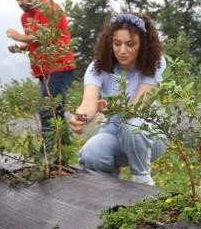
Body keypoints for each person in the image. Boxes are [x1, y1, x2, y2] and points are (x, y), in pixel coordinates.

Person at [69, 12, 167, 186]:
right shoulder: (98, 67)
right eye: (117, 43)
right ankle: (111, 191)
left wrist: (112, 107)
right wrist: (81, 118)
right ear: (110, 42)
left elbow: (138, 107)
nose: (122, 50)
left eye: (130, 44)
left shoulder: (155, 63)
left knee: (132, 125)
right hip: (114, 132)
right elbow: (88, 103)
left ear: (143, 44)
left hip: (150, 135)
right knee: (91, 154)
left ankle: (142, 181)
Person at [5, 0, 76, 146]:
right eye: (17, 0)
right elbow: (38, 42)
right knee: (54, 112)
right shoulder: (26, 17)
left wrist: (20, 37)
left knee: (47, 110)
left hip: (60, 66)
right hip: (44, 70)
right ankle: (61, 156)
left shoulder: (50, 8)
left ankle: (49, 154)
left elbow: (47, 36)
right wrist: (22, 47)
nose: (20, 3)